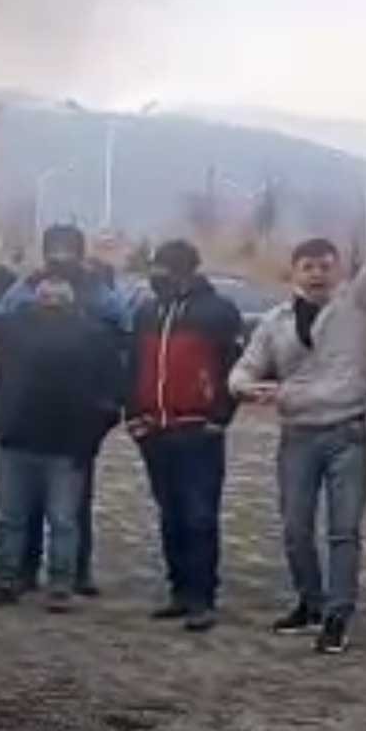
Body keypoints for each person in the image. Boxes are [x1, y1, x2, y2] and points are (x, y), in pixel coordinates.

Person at [231, 173, 366, 654]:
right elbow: (242, 373)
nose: (316, 273)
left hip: (346, 435)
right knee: (294, 527)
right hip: (297, 439)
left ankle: (338, 614)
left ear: (337, 271)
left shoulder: (357, 304)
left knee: (344, 531)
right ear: (293, 272)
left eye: (324, 266)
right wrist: (252, 390)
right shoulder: (275, 323)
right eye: (307, 266)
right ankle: (309, 602)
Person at [0, 223, 126, 596]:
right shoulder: (20, 302)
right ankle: (15, 575)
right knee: (15, 513)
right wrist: (5, 270)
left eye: (67, 249)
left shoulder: (96, 305)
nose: (60, 259)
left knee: (67, 514)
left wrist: (102, 418)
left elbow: (122, 332)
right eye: (54, 249)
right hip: (19, 428)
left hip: (71, 432)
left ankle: (71, 576)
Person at [125, 239, 245, 632]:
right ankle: (178, 591)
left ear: (187, 271)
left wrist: (221, 416)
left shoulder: (218, 313)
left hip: (199, 429)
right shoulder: (146, 313)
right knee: (171, 514)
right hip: (154, 428)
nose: (158, 276)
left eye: (165, 270)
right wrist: (134, 415)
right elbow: (133, 366)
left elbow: (237, 368)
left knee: (199, 515)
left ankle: (202, 598)